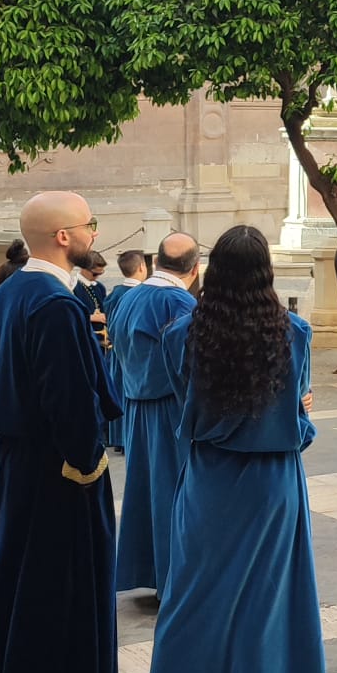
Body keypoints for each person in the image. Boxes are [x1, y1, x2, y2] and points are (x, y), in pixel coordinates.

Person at [143, 226, 330, 673]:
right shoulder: (292, 333)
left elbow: (183, 408)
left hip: (209, 480)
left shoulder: (182, 333)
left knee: (191, 602)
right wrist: (303, 421)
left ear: (212, 270)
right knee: (266, 609)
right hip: (272, 484)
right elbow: (297, 420)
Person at [0, 191, 122, 673]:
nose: (94, 234)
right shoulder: (54, 304)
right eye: (89, 225)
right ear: (64, 236)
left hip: (18, 462)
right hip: (54, 469)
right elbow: (68, 400)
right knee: (52, 593)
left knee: (21, 586)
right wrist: (85, 464)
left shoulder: (12, 292)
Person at [109, 233, 201, 597]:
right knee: (175, 494)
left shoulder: (129, 297)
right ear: (195, 269)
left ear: (156, 260)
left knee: (146, 493)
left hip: (135, 408)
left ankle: (151, 573)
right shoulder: (179, 303)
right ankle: (175, 581)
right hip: (171, 411)